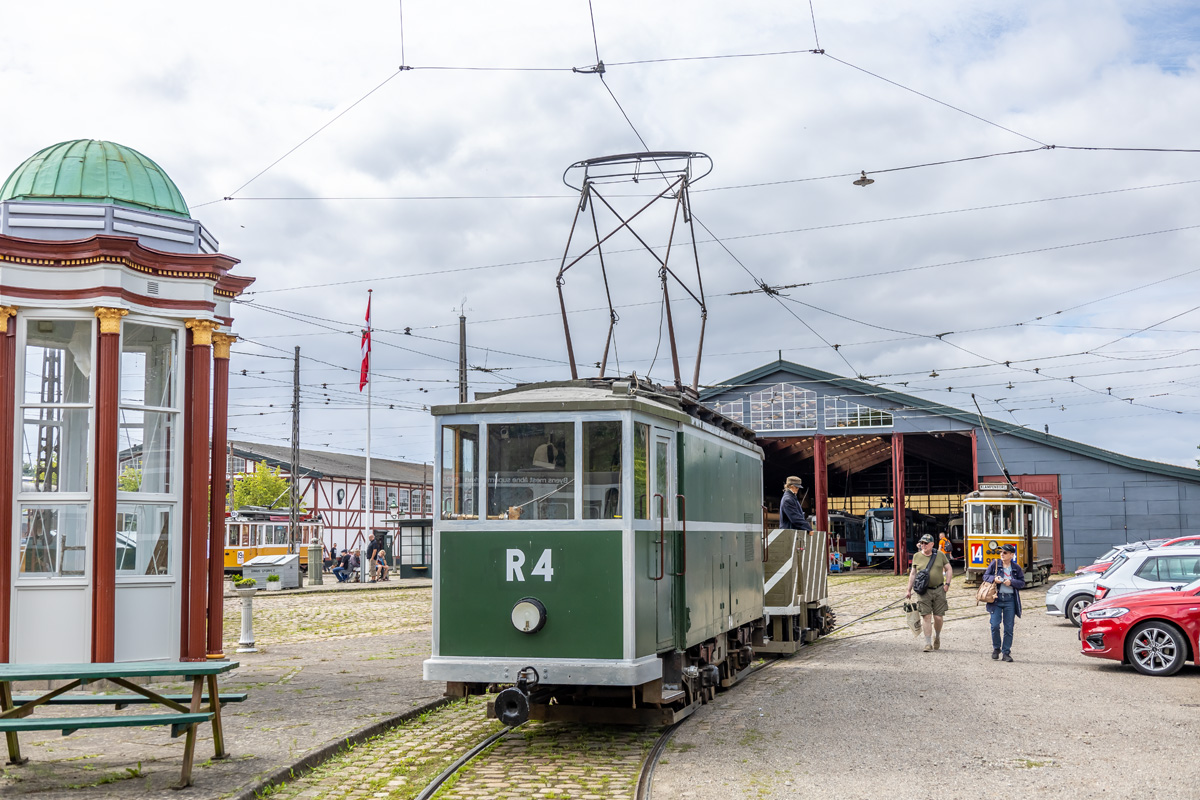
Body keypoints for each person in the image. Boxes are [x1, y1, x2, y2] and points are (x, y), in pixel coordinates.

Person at [905, 533, 954, 652]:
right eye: (922, 543)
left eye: (926, 543)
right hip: (923, 591)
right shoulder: (917, 556)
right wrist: (908, 589)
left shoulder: (940, 555)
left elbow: (949, 569)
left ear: (932, 544)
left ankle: (937, 636)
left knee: (938, 617)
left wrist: (947, 584)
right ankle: (927, 643)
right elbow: (913, 573)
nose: (923, 545)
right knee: (926, 616)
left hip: (939, 590)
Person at [983, 543, 1026, 662]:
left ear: (1012, 555)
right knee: (995, 625)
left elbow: (1022, 583)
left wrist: (1011, 582)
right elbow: (985, 576)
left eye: (1005, 552)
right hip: (996, 599)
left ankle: (1006, 652)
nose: (1002, 554)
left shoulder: (1016, 568)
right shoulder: (995, 564)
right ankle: (996, 648)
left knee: (1009, 627)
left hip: (1010, 600)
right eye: (1001, 552)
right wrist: (994, 579)